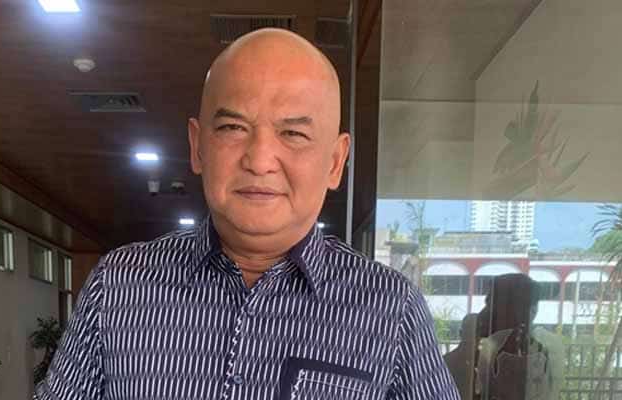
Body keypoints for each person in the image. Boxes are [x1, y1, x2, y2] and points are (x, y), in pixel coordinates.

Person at [34, 28, 458, 400]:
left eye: (293, 133)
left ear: (335, 161)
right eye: (233, 128)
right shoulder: (117, 287)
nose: (259, 159)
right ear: (198, 146)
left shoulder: (391, 309)